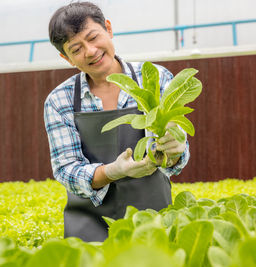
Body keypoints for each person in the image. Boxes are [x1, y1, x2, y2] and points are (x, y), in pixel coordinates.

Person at [44, 1, 189, 242]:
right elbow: (66, 169)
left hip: (153, 221)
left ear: (108, 29)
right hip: (88, 227)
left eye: (93, 37)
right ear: (66, 57)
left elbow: (173, 161)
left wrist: (174, 149)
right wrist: (112, 171)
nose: (90, 51)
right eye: (76, 49)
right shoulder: (60, 100)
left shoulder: (156, 78)